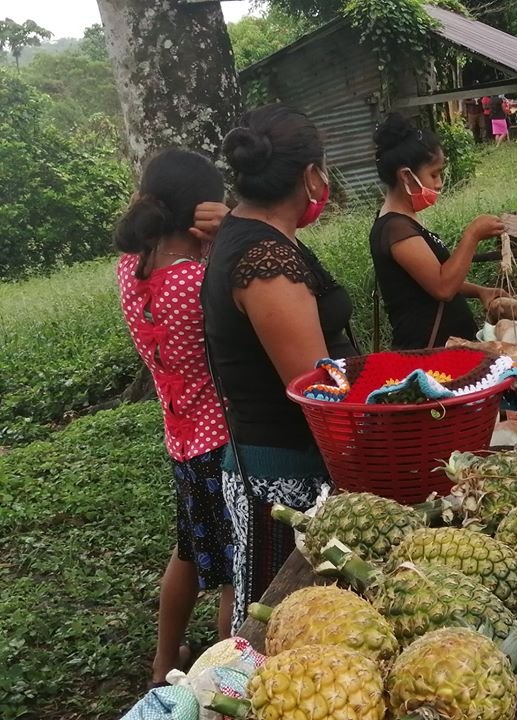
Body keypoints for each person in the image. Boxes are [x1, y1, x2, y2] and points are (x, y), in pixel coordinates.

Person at [201, 104, 358, 633]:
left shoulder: (252, 233)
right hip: (283, 475)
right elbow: (318, 388)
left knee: (260, 603)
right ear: (311, 175)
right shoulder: (264, 263)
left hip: (276, 458)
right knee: (278, 623)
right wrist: (382, 396)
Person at [114, 148, 234, 686]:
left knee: (187, 550)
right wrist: (228, 241)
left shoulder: (129, 270)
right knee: (238, 569)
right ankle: (227, 674)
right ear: (202, 213)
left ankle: (166, 660)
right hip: (223, 438)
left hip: (181, 437)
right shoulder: (198, 281)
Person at [370, 113, 506, 350]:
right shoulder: (396, 229)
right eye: (433, 174)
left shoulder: (405, 221)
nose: (439, 183)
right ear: (406, 176)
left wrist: (479, 291)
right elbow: (443, 286)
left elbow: (431, 276)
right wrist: (472, 234)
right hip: (428, 354)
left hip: (445, 348)